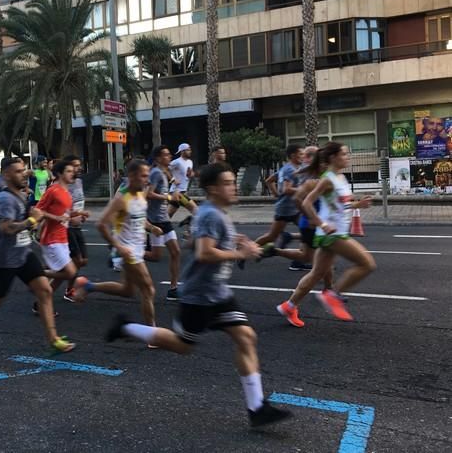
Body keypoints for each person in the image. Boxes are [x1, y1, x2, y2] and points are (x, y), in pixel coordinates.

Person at [105, 162, 293, 427]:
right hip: (200, 296)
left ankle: (257, 408)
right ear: (213, 189)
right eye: (227, 183)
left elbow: (196, 243)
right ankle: (126, 328)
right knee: (183, 346)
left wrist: (235, 240)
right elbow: (205, 253)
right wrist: (241, 253)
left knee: (247, 337)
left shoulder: (215, 212)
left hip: (218, 293)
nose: (233, 186)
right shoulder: (210, 215)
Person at [0, 157, 75, 354]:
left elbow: (28, 221)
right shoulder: (6, 199)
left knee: (44, 291)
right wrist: (32, 220)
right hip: (5, 260)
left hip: (24, 254)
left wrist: (33, 218)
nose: (24, 174)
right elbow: (6, 228)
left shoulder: (21, 195)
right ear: (7, 175)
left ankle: (53, 339)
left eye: (24, 170)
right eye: (18, 171)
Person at [276, 142, 376, 326]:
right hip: (332, 234)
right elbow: (306, 203)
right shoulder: (327, 179)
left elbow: (340, 205)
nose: (348, 157)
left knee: (316, 274)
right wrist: (321, 223)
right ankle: (333, 295)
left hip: (334, 231)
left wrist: (358, 204)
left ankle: (289, 306)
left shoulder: (340, 178)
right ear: (333, 158)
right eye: (344, 154)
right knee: (367, 263)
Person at [73, 160, 163, 331]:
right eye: (143, 176)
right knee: (148, 289)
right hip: (127, 250)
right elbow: (101, 224)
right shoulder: (121, 199)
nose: (147, 180)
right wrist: (118, 246)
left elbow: (139, 218)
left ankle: (87, 286)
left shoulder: (141, 195)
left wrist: (152, 228)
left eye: (148, 176)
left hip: (136, 247)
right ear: (131, 177)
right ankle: (151, 333)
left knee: (127, 290)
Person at [32, 160, 89, 314]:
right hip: (51, 239)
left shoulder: (66, 191)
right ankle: (34, 274)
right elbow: (37, 211)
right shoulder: (53, 190)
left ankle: (40, 305)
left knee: (60, 275)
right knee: (70, 272)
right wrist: (55, 218)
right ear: (59, 174)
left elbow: (66, 214)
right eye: (69, 171)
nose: (73, 173)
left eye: (73, 171)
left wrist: (79, 214)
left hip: (62, 238)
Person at [144, 145, 182, 301]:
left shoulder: (164, 172)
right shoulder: (155, 173)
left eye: (169, 154)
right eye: (166, 155)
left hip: (164, 219)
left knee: (176, 252)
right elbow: (148, 194)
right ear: (158, 158)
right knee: (155, 256)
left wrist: (175, 191)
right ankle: (125, 252)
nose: (170, 157)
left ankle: (173, 289)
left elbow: (170, 184)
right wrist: (168, 198)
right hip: (155, 220)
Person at [255, 145, 304, 247]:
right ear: (293, 155)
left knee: (308, 230)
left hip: (293, 208)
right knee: (272, 237)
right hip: (286, 210)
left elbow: (269, 181)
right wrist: (304, 190)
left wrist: (276, 194)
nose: (303, 156)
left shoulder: (286, 168)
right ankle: (246, 252)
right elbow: (287, 189)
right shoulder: (290, 170)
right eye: (301, 154)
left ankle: (299, 257)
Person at [63, 154, 90, 282]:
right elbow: (60, 208)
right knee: (77, 260)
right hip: (66, 227)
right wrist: (71, 218)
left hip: (77, 225)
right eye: (75, 166)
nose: (78, 168)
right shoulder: (64, 185)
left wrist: (81, 215)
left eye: (79, 165)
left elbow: (79, 201)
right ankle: (41, 275)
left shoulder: (79, 181)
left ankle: (44, 274)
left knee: (83, 261)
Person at [168, 143, 198, 217]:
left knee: (168, 215)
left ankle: (157, 225)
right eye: (188, 150)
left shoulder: (190, 162)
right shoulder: (177, 162)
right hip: (177, 193)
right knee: (196, 210)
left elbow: (189, 175)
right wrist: (172, 180)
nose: (190, 151)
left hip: (183, 192)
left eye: (190, 149)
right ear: (182, 151)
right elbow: (165, 169)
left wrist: (191, 174)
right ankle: (189, 222)